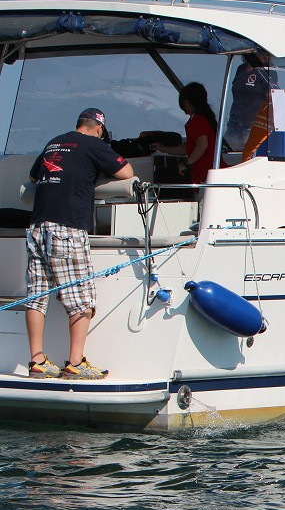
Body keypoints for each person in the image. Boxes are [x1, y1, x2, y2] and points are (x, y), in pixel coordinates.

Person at [25, 108, 134, 380]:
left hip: (38, 227)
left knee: (36, 296)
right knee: (81, 298)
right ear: (98, 129)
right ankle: (75, 362)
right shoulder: (94, 145)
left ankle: (37, 361)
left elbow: (32, 178)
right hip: (67, 227)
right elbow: (127, 172)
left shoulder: (55, 142)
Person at [151, 82, 219, 184]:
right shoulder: (206, 119)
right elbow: (188, 148)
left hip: (206, 175)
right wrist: (162, 148)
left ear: (187, 102)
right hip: (211, 174)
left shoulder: (197, 121)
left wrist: (187, 163)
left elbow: (202, 145)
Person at [224, 57, 276, 151]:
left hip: (251, 126)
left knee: (248, 157)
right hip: (233, 124)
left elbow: (271, 98)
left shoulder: (268, 71)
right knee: (227, 155)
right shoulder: (241, 69)